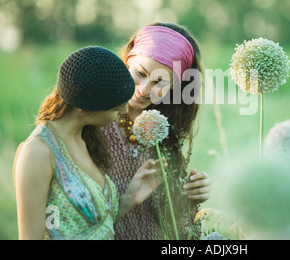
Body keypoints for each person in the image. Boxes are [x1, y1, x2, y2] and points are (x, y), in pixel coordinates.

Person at [14, 46, 166, 240]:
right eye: (116, 109)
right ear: (84, 110)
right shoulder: (38, 152)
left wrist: (129, 199)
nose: (124, 113)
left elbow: (93, 228)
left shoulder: (87, 138)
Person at [102, 22, 212, 239]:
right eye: (140, 73)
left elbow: (168, 218)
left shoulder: (162, 129)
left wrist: (190, 196)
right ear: (128, 60)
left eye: (160, 82)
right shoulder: (95, 122)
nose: (144, 90)